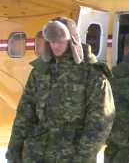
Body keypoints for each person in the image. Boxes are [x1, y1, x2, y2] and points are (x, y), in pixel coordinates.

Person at [6, 17, 115, 163]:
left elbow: (100, 122)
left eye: (60, 41)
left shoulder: (91, 74)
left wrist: (83, 157)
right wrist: (14, 150)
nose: (55, 46)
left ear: (72, 41)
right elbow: (24, 114)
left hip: (70, 155)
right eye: (51, 41)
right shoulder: (40, 72)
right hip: (36, 154)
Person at [104, 52, 129, 163]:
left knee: (110, 150)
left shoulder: (110, 80)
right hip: (127, 131)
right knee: (126, 152)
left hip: (110, 127)